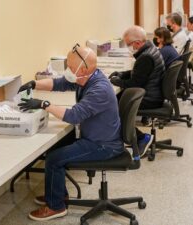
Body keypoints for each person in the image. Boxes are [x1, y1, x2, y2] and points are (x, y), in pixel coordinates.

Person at [17, 45, 124, 221]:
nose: (68, 71)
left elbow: (74, 116)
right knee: (54, 148)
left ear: (83, 69)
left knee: (54, 159)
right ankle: (57, 194)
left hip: (103, 145)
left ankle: (56, 206)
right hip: (95, 137)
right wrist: (35, 84)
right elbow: (61, 83)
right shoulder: (87, 78)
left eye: (71, 68)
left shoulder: (99, 90)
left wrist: (44, 104)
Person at [109, 25, 165, 156]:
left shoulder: (145, 57)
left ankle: (141, 138)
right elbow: (140, 73)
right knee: (113, 102)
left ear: (138, 43)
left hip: (149, 98)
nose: (128, 47)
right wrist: (122, 74)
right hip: (154, 93)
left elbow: (134, 84)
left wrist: (117, 81)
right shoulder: (150, 49)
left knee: (111, 108)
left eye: (128, 44)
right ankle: (123, 135)